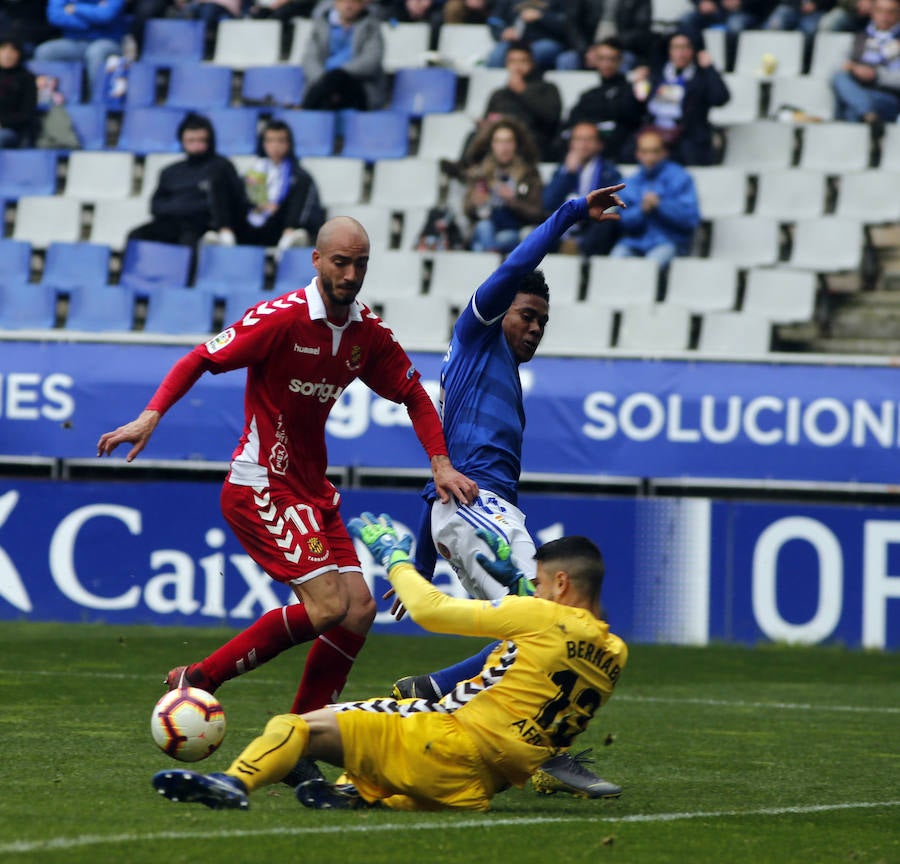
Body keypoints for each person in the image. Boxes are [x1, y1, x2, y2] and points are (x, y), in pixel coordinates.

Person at [98, 217, 477, 718]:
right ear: (316, 260)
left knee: (359, 610)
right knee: (327, 607)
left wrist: (441, 464)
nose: (350, 274)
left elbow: (414, 393)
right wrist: (151, 415)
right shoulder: (281, 319)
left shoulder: (366, 333)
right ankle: (200, 678)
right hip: (261, 483)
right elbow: (201, 358)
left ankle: (304, 733)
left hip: (310, 489)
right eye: (340, 262)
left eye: (360, 264)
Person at [390, 183, 627, 799]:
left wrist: (423, 558)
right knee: (555, 624)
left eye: (543, 321)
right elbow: (516, 266)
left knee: (527, 632)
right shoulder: (477, 334)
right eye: (527, 315)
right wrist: (571, 214)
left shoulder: (492, 378)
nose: (535, 327)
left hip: (479, 513)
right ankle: (549, 753)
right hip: (481, 511)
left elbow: (442, 478)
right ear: (500, 310)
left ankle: (433, 691)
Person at [151, 517, 628, 812]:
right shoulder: (613, 653)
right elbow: (551, 648)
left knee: (293, 726)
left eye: (539, 583)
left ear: (561, 584)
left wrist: (396, 559)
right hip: (479, 787)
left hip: (443, 740)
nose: (535, 591)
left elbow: (431, 611)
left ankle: (232, 783)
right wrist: (521, 591)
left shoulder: (541, 617)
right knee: (384, 755)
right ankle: (356, 793)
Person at [127, 112, 247, 250]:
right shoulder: (170, 172)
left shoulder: (222, 167)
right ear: (182, 141)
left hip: (202, 227)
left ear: (210, 140)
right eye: (191, 140)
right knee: (136, 235)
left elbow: (229, 203)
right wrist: (184, 207)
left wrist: (183, 207)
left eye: (201, 140)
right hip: (171, 223)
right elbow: (156, 206)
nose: (196, 145)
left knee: (190, 241)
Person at [630, 30, 730, 166]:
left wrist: (710, 68)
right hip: (655, 133)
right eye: (676, 47)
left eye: (686, 47)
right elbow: (639, 104)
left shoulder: (701, 77)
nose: (680, 53)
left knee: (689, 154)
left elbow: (720, 98)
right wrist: (638, 84)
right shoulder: (657, 75)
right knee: (630, 151)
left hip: (688, 137)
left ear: (694, 50)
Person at [609, 128, 699, 278]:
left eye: (655, 151)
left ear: (664, 152)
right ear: (638, 154)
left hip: (669, 242)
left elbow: (690, 219)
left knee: (650, 267)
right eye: (645, 152)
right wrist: (641, 210)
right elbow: (623, 222)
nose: (650, 157)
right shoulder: (629, 183)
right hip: (635, 242)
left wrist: (660, 205)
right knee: (614, 261)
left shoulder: (680, 178)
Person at [237, 119, 326, 257]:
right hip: (253, 228)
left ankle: (292, 238)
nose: (275, 146)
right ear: (263, 143)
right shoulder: (253, 172)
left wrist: (288, 223)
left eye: (280, 141)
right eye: (270, 140)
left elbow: (305, 209)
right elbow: (243, 201)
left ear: (289, 144)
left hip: (282, 226)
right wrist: (260, 206)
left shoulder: (300, 176)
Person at [463, 116, 545, 253]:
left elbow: (537, 213)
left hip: (513, 229)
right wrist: (475, 202)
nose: (504, 147)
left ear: (516, 144)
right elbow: (467, 211)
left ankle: (489, 256)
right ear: (491, 145)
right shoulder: (480, 174)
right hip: (485, 227)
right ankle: (492, 254)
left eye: (508, 141)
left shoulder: (529, 174)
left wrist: (513, 201)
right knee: (484, 227)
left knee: (498, 240)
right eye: (499, 141)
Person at [542, 121, 622, 256]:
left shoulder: (609, 172)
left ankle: (580, 252)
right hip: (565, 225)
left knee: (607, 222)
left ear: (599, 144)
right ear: (571, 144)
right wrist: (567, 174)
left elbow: (611, 205)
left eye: (589, 140)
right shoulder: (562, 170)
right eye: (578, 139)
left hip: (592, 226)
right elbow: (548, 203)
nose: (583, 145)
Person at [564, 36, 645, 163]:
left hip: (615, 152)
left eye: (611, 59)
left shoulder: (630, 91)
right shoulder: (589, 94)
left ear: (620, 61)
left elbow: (630, 117)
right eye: (601, 58)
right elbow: (572, 120)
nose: (606, 64)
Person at [482, 40, 563, 162]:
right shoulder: (499, 94)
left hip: (533, 141)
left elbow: (551, 119)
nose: (517, 66)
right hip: (501, 141)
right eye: (512, 61)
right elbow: (488, 119)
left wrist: (523, 91)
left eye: (522, 61)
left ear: (532, 63)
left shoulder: (547, 88)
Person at [34, 0, 128, 102]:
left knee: (95, 52)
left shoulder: (74, 7)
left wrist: (75, 8)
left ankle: (97, 103)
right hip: (76, 41)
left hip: (108, 41)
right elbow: (55, 16)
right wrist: (91, 22)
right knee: (45, 52)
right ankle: (50, 102)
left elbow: (106, 15)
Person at [301, 0, 387, 111]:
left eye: (354, 2)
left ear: (362, 5)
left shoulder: (371, 27)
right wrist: (325, 79)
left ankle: (305, 108)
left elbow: (371, 61)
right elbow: (310, 59)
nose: (348, 5)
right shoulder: (321, 25)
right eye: (344, 1)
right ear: (335, 3)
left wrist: (339, 73)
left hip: (357, 85)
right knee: (329, 87)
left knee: (337, 78)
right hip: (323, 84)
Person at [832, 0, 900, 127]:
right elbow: (839, 65)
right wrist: (853, 68)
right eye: (880, 11)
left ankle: (866, 113)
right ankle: (868, 114)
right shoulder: (860, 37)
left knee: (851, 108)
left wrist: (876, 75)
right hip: (858, 89)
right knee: (839, 77)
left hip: (887, 96)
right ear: (873, 12)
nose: (885, 16)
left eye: (891, 12)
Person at [558, 0, 656, 71]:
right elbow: (572, 24)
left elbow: (641, 29)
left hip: (622, 48)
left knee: (626, 60)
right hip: (588, 47)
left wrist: (612, 47)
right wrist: (585, 51)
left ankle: (618, 91)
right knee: (566, 60)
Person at [486, 0, 570, 71]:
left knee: (533, 55)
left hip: (546, 40)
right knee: (496, 57)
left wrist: (541, 16)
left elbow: (567, 22)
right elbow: (494, 19)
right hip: (514, 41)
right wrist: (502, 31)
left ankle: (530, 83)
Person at [0, 35, 37, 149]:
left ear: (19, 54)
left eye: (12, 50)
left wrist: (3, 122)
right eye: (3, 49)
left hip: (11, 130)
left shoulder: (26, 79)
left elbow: (27, 114)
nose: (7, 54)